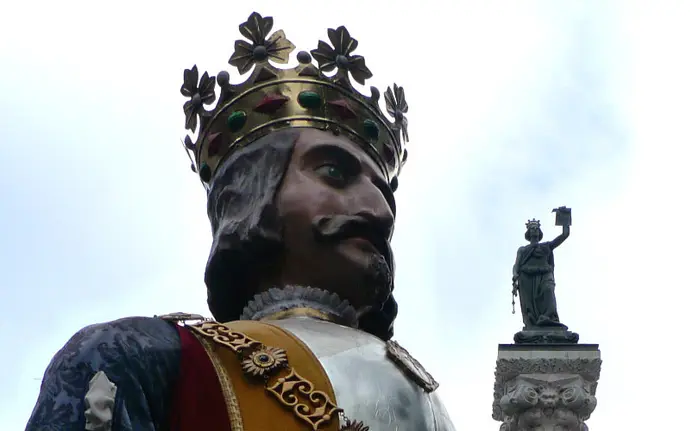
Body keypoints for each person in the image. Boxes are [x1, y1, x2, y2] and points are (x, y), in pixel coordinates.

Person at [26, 11, 455, 431]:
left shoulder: (423, 392)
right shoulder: (143, 357)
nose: (378, 213)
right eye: (334, 173)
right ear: (249, 194)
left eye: (385, 197)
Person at [512, 218, 570, 329]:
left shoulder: (546, 246)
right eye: (532, 228)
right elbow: (516, 265)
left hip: (545, 274)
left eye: (536, 228)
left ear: (539, 232)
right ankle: (535, 323)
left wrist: (565, 221)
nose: (534, 230)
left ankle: (548, 317)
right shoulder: (523, 250)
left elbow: (564, 235)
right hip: (527, 277)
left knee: (548, 290)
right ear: (528, 233)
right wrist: (515, 274)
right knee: (531, 305)